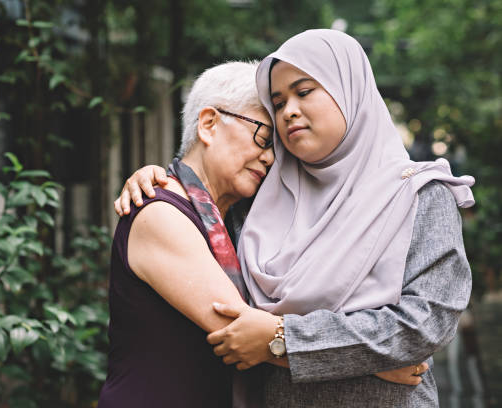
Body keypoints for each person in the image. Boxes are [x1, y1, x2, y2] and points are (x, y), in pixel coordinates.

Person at [114, 29, 474, 407]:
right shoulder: (263, 202)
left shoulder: (420, 194)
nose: (289, 112)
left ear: (348, 90)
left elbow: (427, 322)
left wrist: (290, 339)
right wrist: (155, 176)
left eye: (304, 92)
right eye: (278, 102)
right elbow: (229, 312)